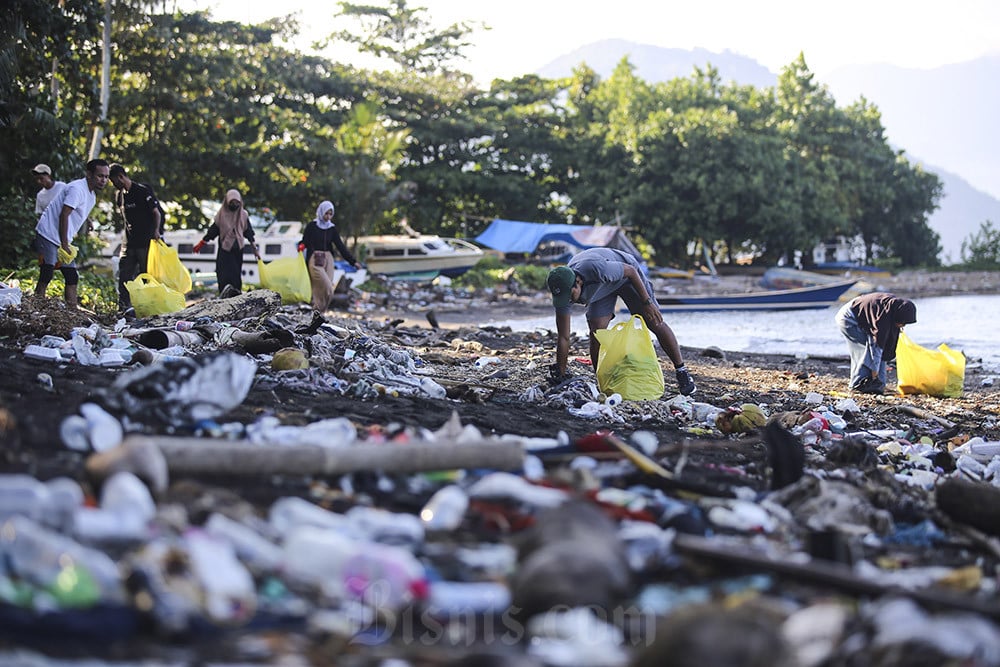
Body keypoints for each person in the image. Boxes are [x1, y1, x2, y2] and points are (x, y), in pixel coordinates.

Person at [547, 247, 696, 396]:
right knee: (597, 331)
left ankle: (681, 371)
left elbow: (630, 271)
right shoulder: (563, 290)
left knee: (653, 321)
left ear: (578, 282)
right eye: (563, 297)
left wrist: (647, 301)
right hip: (603, 286)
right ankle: (602, 380)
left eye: (570, 295)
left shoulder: (595, 268)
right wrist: (561, 372)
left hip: (627, 277)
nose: (568, 300)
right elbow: (564, 337)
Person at [33, 158, 110, 309]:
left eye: (106, 177)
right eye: (100, 176)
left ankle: (72, 311)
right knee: (47, 272)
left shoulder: (91, 195)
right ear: (89, 174)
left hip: (62, 237)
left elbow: (77, 208)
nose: (104, 180)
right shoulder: (77, 188)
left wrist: (87, 221)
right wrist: (65, 244)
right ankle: (37, 306)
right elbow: (64, 215)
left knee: (71, 276)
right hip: (48, 233)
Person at [108, 163, 163, 318]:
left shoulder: (142, 191)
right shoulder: (120, 196)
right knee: (125, 276)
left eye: (113, 181)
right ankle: (123, 307)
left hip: (145, 242)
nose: (113, 185)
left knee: (146, 275)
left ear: (121, 177)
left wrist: (156, 231)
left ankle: (149, 308)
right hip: (129, 243)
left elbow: (156, 213)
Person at [835, 292, 917, 394]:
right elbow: (876, 346)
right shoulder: (882, 319)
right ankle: (858, 384)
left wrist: (879, 380)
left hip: (864, 314)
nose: (903, 325)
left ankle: (880, 384)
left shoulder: (893, 309)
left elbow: (885, 346)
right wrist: (875, 375)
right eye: (902, 322)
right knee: (866, 351)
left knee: (878, 350)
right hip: (849, 318)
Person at [192, 189, 259, 296]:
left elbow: (249, 233)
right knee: (223, 273)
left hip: (238, 250)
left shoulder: (243, 215)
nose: (235, 205)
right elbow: (213, 231)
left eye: (237, 203)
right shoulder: (221, 215)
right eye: (232, 203)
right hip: (224, 249)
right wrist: (202, 243)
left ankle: (236, 295)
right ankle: (224, 295)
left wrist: (255, 249)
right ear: (227, 202)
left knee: (235, 274)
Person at [298, 200, 362, 311]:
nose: (328, 216)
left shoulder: (332, 229)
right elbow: (304, 241)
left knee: (325, 290)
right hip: (315, 259)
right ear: (321, 212)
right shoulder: (312, 226)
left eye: (330, 214)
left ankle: (319, 312)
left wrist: (353, 261)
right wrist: (301, 246)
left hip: (328, 260)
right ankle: (318, 311)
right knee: (327, 287)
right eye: (326, 213)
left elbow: (340, 247)